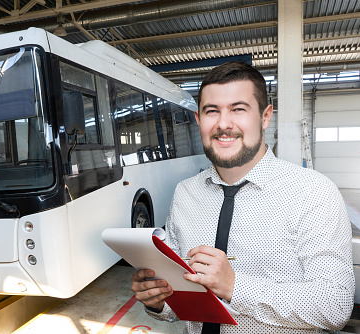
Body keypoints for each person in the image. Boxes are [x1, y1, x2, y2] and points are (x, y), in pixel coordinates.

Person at [130, 61, 354, 333]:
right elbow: (181, 296)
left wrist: (235, 287)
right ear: (199, 121)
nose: (224, 124)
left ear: (265, 116)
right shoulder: (185, 193)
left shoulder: (312, 193)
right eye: (212, 111)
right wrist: (158, 301)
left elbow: (335, 304)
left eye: (238, 109)